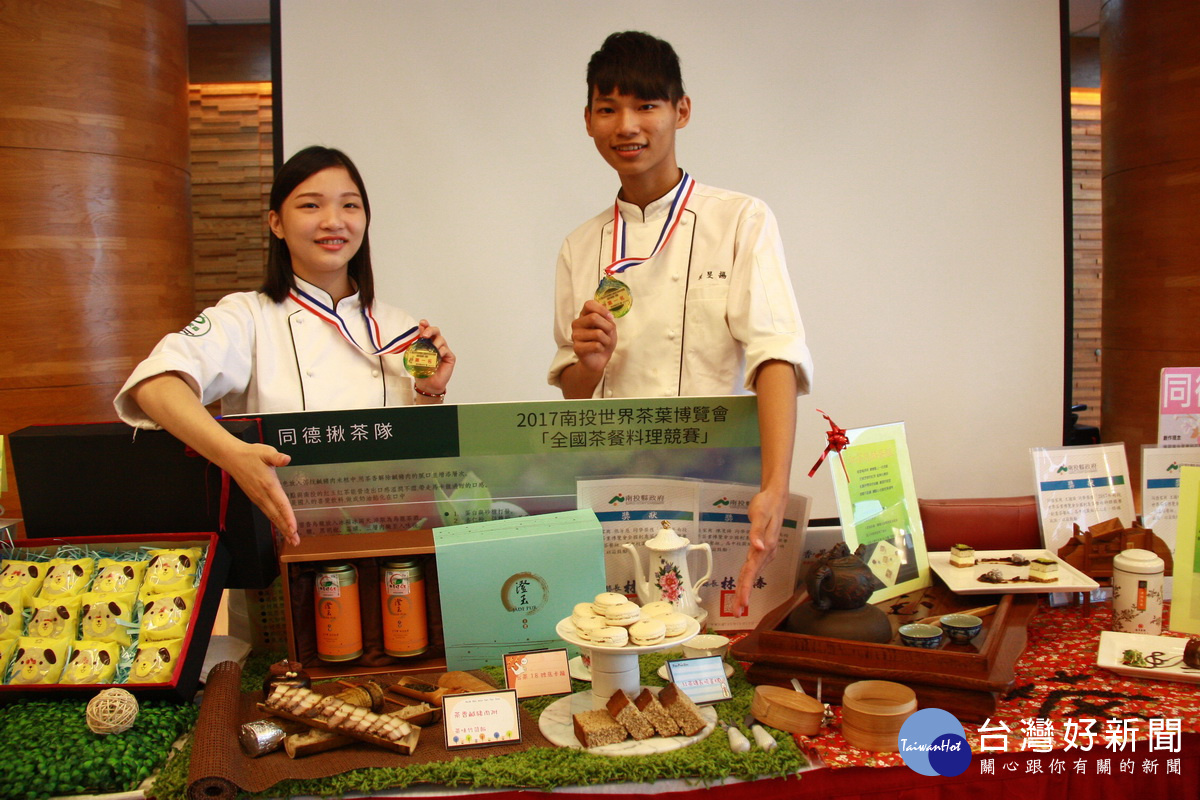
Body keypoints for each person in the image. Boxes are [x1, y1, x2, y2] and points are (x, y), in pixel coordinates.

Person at [548, 32, 812, 616]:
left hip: (719, 483)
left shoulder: (740, 219)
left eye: (646, 105)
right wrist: (588, 364)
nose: (627, 126)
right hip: (621, 488)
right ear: (588, 120)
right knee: (621, 639)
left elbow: (775, 355)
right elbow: (572, 392)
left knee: (719, 645)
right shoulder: (579, 245)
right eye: (608, 109)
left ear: (681, 110)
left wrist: (774, 485)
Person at [115, 146, 455, 546]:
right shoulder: (246, 317)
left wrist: (430, 392)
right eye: (311, 205)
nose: (334, 221)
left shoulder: (400, 328)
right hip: (282, 539)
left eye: (350, 205)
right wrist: (232, 455)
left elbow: (415, 458)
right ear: (276, 222)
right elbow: (155, 385)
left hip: (389, 546)